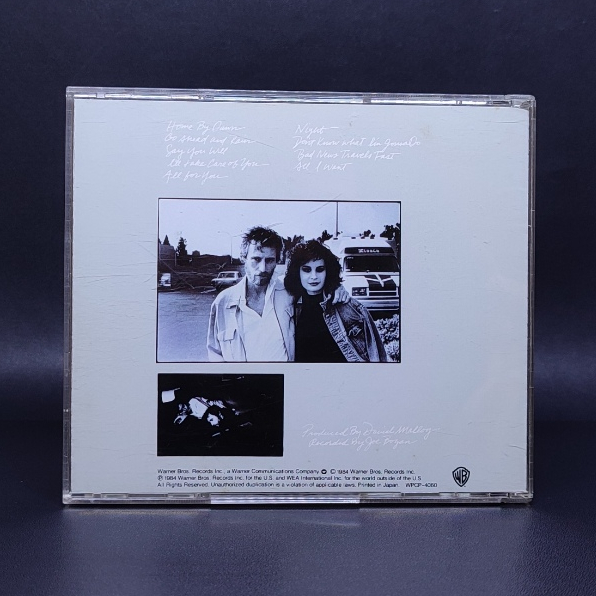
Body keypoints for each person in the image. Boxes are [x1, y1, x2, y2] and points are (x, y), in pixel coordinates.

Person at [207, 226, 351, 361]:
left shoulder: (288, 291)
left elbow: (316, 287)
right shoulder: (223, 302)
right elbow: (215, 354)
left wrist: (335, 287)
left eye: (269, 260)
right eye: (256, 259)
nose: (263, 268)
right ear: (243, 258)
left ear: (277, 261)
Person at [284, 240, 388, 362]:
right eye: (306, 270)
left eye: (320, 269)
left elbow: (377, 355)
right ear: (297, 272)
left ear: (328, 271)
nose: (314, 276)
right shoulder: (289, 304)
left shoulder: (350, 307)